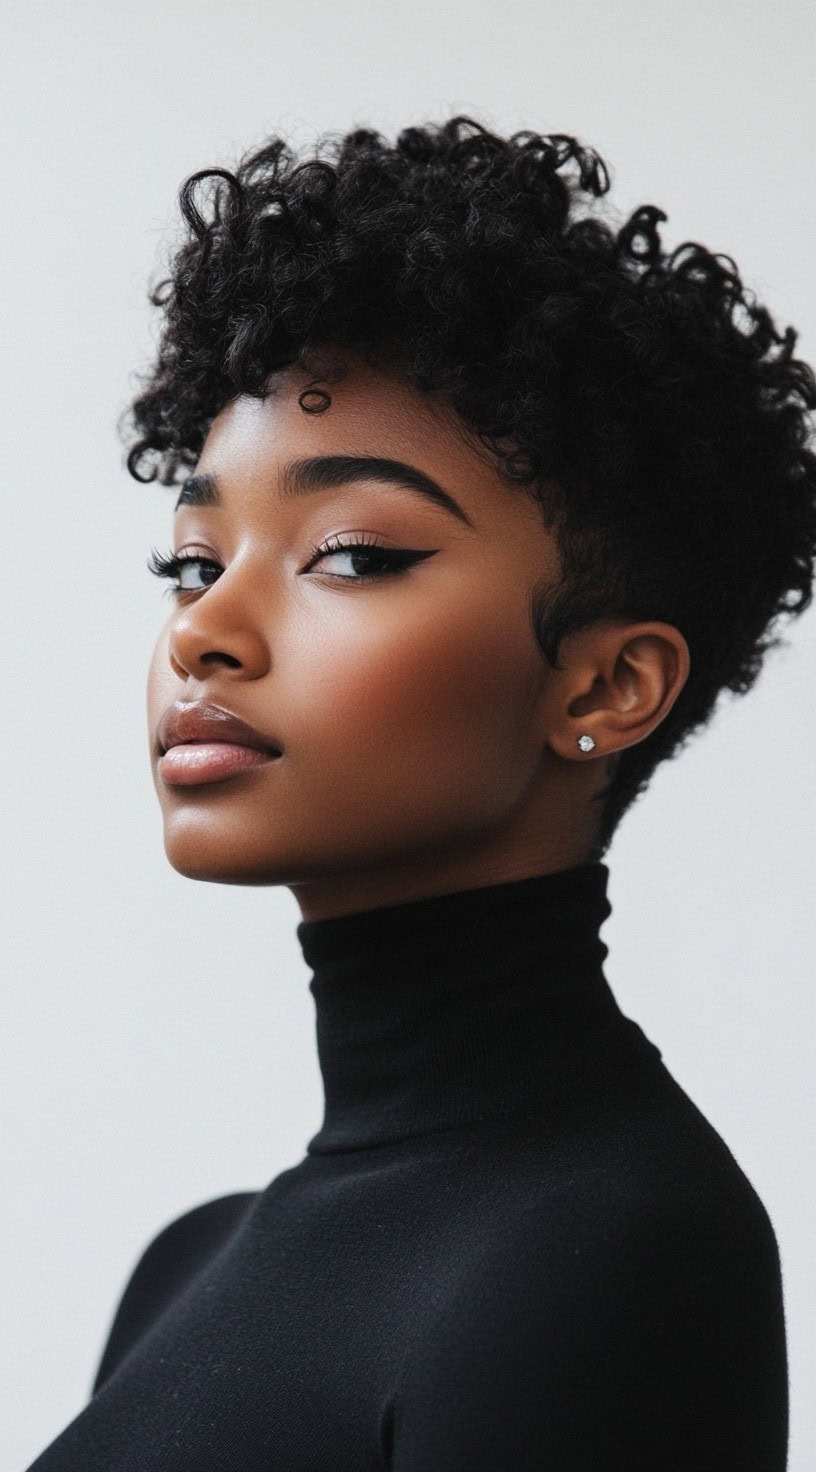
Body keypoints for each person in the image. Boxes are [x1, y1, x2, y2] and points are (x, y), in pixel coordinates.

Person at [28, 114, 814, 1470]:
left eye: (350, 553)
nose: (202, 629)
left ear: (605, 686)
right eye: (191, 560)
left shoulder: (612, 1252)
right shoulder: (188, 1272)